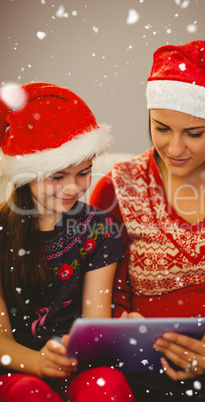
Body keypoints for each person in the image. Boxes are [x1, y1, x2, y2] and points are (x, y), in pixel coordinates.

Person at [90, 41, 205, 401]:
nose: (174, 149)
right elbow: (102, 290)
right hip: (149, 364)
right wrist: (125, 325)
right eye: (162, 128)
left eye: (194, 133)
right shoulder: (119, 187)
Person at [0, 82, 134, 402]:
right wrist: (36, 362)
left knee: (106, 386)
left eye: (84, 173)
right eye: (58, 176)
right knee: (28, 393)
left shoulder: (100, 229)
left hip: (77, 364)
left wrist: (121, 334)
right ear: (27, 173)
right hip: (15, 369)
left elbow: (94, 321)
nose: (73, 189)